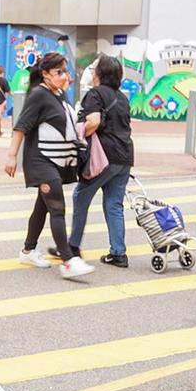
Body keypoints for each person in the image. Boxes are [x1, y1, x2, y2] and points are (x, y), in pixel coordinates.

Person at [4, 52, 95, 279]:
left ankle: (28, 249)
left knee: (42, 206)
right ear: (45, 74)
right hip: (41, 160)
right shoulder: (38, 95)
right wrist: (11, 156)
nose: (65, 76)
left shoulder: (60, 94)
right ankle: (67, 260)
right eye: (59, 72)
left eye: (66, 71)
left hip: (59, 161)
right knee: (57, 208)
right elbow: (21, 127)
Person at [62, 54, 134, 268]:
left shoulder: (95, 94)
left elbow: (93, 121)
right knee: (114, 204)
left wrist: (80, 134)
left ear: (100, 74)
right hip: (125, 156)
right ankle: (118, 253)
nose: (91, 71)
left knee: (81, 196)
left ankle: (73, 246)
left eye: (94, 68)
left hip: (104, 157)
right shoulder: (122, 98)